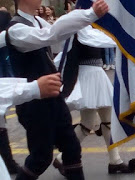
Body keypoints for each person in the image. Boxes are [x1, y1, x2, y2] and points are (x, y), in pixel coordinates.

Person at [4, 0, 109, 179]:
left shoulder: (37, 21)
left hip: (53, 97)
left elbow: (62, 39)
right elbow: (50, 35)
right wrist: (88, 14)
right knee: (41, 157)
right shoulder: (16, 29)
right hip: (34, 102)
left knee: (72, 147)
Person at [52, 25, 135, 176]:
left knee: (106, 120)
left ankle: (115, 161)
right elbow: (98, 40)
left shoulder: (90, 27)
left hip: (96, 74)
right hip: (88, 75)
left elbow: (103, 38)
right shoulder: (79, 29)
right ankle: (62, 157)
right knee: (89, 122)